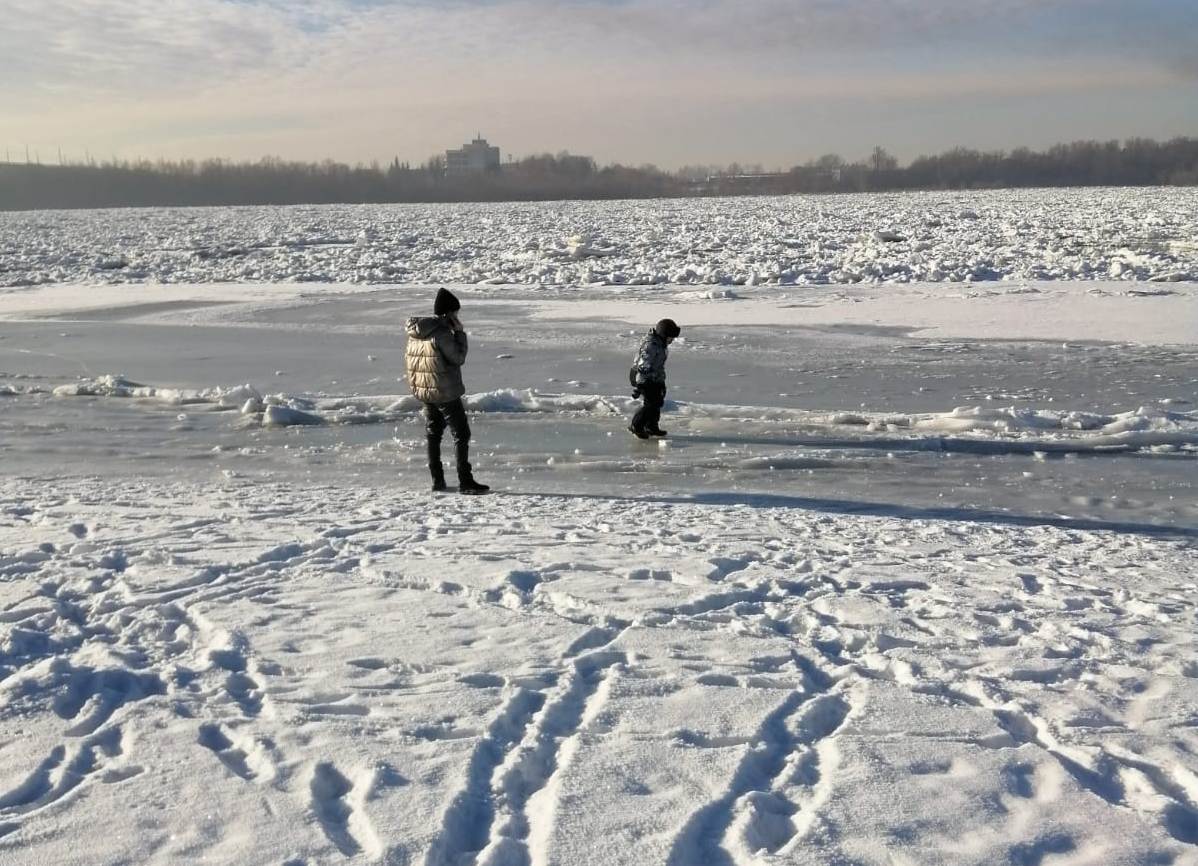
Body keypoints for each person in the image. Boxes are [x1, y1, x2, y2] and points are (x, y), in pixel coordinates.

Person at [405, 288, 489, 494]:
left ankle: (437, 480)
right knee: (461, 433)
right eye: (456, 314)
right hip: (444, 391)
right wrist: (460, 333)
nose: (457, 317)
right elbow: (458, 358)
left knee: (433, 434)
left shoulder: (416, 333)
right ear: (448, 314)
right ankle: (465, 481)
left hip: (425, 390)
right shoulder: (442, 333)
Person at [628, 318, 680, 439]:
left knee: (657, 401)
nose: (671, 341)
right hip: (643, 376)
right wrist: (640, 385)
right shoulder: (651, 345)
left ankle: (651, 426)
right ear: (663, 335)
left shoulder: (660, 344)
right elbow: (643, 365)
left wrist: (661, 382)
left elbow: (658, 365)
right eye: (670, 338)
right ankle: (636, 425)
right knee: (652, 403)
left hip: (654, 377)